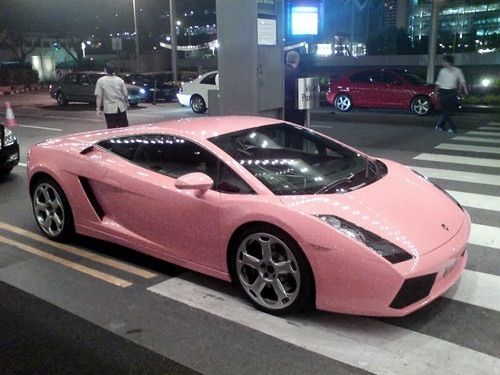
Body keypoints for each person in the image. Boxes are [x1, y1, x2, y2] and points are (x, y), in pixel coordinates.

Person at [434, 54, 468, 133]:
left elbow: (462, 81)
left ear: (448, 62)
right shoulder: (442, 71)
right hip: (443, 91)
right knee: (446, 110)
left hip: (452, 91)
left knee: (448, 110)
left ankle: (440, 126)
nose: (443, 63)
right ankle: (452, 128)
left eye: (444, 62)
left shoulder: (457, 70)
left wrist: (465, 90)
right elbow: (438, 82)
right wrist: (435, 92)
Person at [95, 63, 129, 129]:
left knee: (111, 129)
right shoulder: (120, 80)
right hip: (120, 108)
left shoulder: (101, 81)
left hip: (109, 109)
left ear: (105, 70)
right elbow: (125, 94)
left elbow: (99, 96)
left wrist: (98, 109)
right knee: (124, 129)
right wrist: (127, 103)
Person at [284, 50, 306, 126]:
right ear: (297, 60)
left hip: (282, 109)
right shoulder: (297, 73)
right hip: (294, 111)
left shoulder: (280, 71)